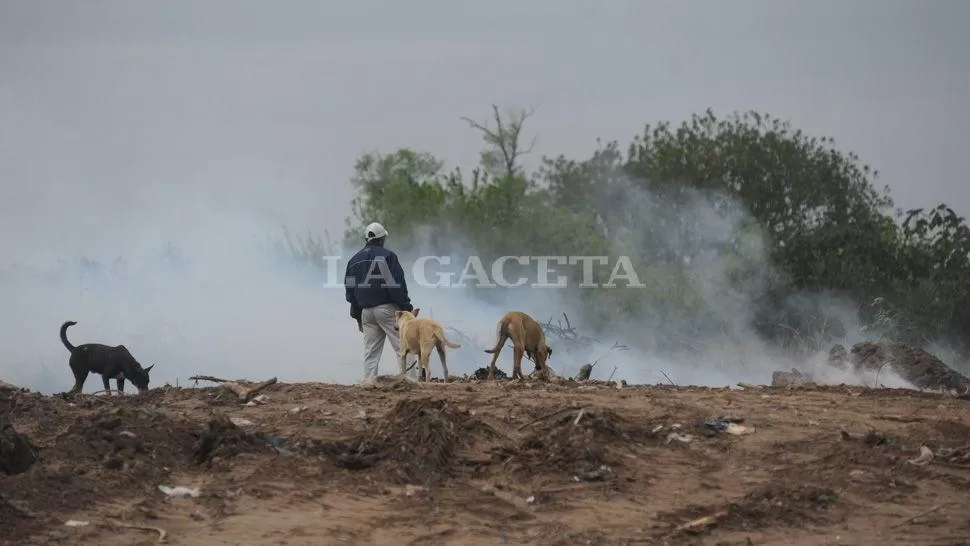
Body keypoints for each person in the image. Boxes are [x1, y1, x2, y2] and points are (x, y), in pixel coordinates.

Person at [344, 222, 419, 382]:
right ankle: (409, 383)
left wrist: (358, 316)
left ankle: (369, 384)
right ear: (382, 238)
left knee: (371, 353)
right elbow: (395, 285)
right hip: (387, 309)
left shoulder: (353, 261)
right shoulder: (388, 257)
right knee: (403, 347)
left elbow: (350, 292)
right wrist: (406, 308)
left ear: (366, 238)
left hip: (366, 312)